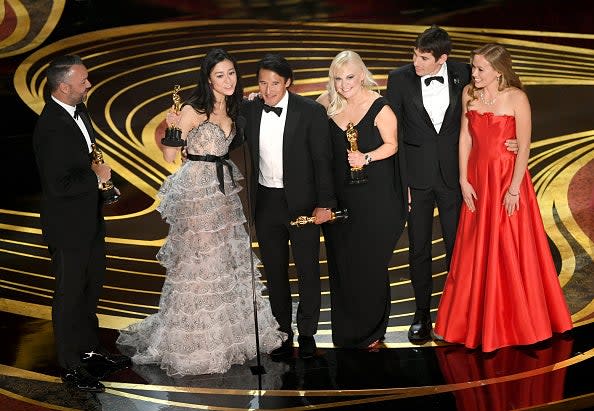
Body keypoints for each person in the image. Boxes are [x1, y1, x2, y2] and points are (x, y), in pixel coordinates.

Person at [117, 48, 285, 376]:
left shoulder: (237, 110)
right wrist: (171, 127)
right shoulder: (194, 110)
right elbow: (169, 156)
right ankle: (196, 341)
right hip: (197, 189)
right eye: (220, 75)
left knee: (225, 261)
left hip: (223, 191)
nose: (228, 80)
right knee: (201, 262)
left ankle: (229, 335)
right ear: (208, 79)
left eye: (232, 73)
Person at [433, 43, 573, 351]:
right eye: (473, 67)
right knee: (471, 250)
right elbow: (465, 137)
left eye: (481, 69)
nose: (474, 73)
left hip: (507, 180)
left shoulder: (517, 98)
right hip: (478, 181)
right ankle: (463, 322)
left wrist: (512, 188)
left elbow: (523, 146)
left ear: (499, 70)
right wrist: (463, 179)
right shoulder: (469, 93)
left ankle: (517, 324)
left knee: (510, 247)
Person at [386, 26, 518, 343]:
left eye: (423, 57)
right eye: (414, 55)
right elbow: (393, 132)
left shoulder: (465, 73)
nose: (415, 62)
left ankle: (458, 314)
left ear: (443, 58)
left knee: (458, 249)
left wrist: (510, 139)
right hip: (415, 179)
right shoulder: (399, 78)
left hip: (457, 178)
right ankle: (420, 314)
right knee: (418, 250)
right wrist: (399, 180)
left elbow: (499, 101)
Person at [33, 54, 130, 393]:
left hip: (89, 219)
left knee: (90, 291)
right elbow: (60, 185)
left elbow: (86, 162)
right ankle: (71, 364)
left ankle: (90, 352)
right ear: (63, 87)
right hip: (67, 227)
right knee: (69, 295)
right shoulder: (50, 126)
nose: (88, 84)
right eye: (82, 81)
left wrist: (105, 187)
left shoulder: (80, 113)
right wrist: (96, 177)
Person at [241, 53, 336, 359]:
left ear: (288, 83)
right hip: (266, 201)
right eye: (263, 83)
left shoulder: (310, 111)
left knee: (308, 268)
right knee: (275, 270)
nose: (268, 90)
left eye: (275, 84)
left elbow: (323, 161)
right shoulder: (250, 109)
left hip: (304, 203)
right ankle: (282, 330)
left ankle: (307, 332)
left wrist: (325, 204)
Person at [316, 50, 405, 349]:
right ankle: (347, 330)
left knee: (369, 264)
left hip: (376, 198)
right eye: (338, 79)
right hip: (340, 198)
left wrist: (366, 157)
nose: (343, 85)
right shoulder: (326, 103)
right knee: (343, 263)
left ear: (362, 75)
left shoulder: (379, 107)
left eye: (350, 77)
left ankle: (373, 330)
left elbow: (393, 145)